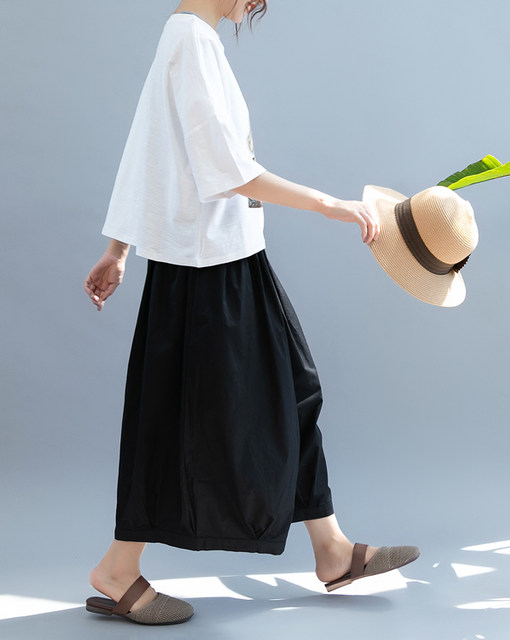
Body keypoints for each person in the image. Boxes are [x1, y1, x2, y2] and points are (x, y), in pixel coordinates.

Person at [83, 0, 419, 626]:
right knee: (177, 416)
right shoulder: (190, 40)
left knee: (291, 389)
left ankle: (331, 548)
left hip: (227, 257)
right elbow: (224, 169)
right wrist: (328, 204)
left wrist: (118, 248)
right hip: (205, 267)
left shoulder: (190, 38)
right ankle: (118, 567)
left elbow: (148, 150)